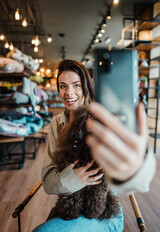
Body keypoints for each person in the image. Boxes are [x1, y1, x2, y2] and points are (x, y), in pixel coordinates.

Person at [35, 59, 155, 232]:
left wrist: (136, 168)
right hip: (69, 204)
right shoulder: (56, 123)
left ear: (86, 86)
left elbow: (142, 178)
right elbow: (48, 182)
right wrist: (75, 178)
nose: (69, 93)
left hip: (104, 211)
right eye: (63, 86)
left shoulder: (104, 117)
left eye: (76, 85)